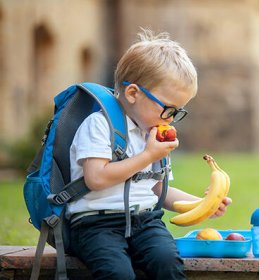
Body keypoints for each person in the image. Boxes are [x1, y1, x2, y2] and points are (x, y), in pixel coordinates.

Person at [67, 29, 232, 280]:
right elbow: (96, 179)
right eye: (168, 109)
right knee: (117, 274)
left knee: (168, 262)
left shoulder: (152, 134)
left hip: (145, 221)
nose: (171, 118)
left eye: (178, 111)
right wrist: (147, 155)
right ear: (133, 93)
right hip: (96, 225)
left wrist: (204, 204)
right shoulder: (99, 125)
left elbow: (157, 190)